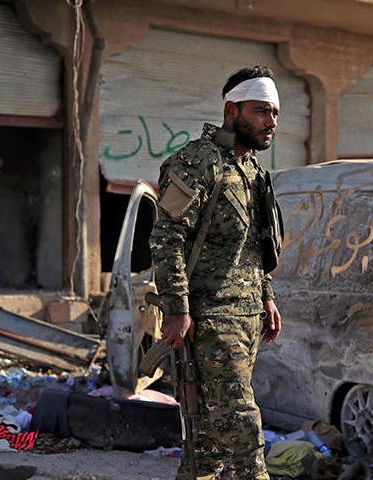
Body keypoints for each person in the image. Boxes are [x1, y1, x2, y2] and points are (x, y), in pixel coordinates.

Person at [149, 65, 284, 480]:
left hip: (245, 321)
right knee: (244, 433)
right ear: (232, 110)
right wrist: (176, 308)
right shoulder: (196, 163)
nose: (271, 123)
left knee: (208, 445)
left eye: (275, 114)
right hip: (208, 321)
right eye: (262, 111)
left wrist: (266, 297)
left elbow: (257, 245)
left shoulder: (251, 172)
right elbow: (166, 237)